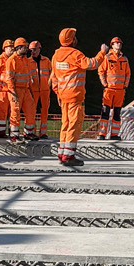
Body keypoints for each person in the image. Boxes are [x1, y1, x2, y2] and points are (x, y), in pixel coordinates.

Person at [50, 27, 94, 164]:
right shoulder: (76, 55)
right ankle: (69, 156)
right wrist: (102, 53)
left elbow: (54, 78)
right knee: (74, 124)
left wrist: (58, 93)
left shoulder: (55, 56)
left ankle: (61, 153)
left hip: (63, 96)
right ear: (71, 40)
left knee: (65, 124)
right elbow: (91, 64)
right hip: (75, 96)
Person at [95, 37, 130, 142]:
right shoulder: (107, 57)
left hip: (120, 90)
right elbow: (101, 71)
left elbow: (128, 73)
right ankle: (102, 133)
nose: (118, 44)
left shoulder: (124, 59)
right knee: (105, 111)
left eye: (119, 43)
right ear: (112, 45)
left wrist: (125, 85)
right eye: (116, 43)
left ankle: (114, 134)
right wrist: (104, 84)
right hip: (109, 89)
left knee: (117, 113)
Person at [5, 35, 39, 143]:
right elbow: (9, 78)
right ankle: (14, 135)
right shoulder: (11, 60)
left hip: (25, 89)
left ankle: (28, 133)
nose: (27, 49)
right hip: (15, 90)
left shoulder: (25, 60)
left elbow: (28, 75)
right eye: (25, 47)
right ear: (18, 48)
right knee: (15, 112)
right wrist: (13, 92)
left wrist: (30, 88)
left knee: (31, 110)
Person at [29, 40, 50, 140]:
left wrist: (50, 83)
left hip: (45, 90)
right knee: (31, 111)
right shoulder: (27, 62)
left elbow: (52, 73)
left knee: (44, 110)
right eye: (31, 50)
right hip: (33, 90)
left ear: (39, 49)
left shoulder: (46, 61)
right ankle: (31, 131)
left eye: (34, 50)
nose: (32, 52)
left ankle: (43, 132)